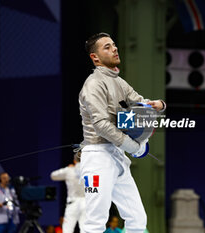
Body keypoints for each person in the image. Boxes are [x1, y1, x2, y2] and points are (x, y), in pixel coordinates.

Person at [79, 32, 165, 233]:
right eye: (107, 47)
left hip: (117, 156)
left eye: (114, 45)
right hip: (97, 158)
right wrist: (134, 147)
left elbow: (142, 105)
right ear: (95, 57)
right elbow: (101, 124)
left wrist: (159, 105)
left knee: (137, 219)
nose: (114, 49)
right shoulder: (93, 84)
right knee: (95, 222)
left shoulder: (119, 82)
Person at [51, 152, 86, 233]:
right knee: (85, 230)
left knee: (67, 230)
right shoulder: (90, 171)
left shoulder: (69, 170)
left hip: (72, 202)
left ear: (74, 160)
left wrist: (68, 168)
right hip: (86, 203)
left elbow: (53, 175)